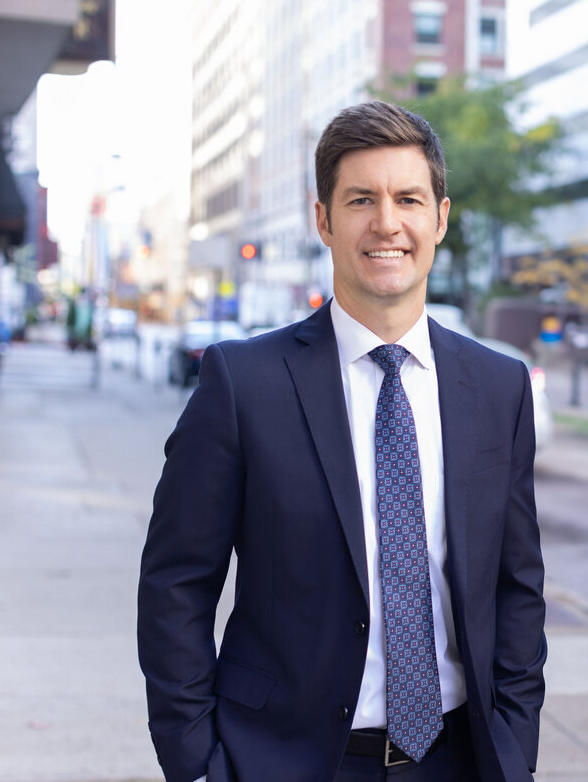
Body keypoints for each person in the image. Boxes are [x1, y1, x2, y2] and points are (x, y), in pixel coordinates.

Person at [138, 100, 546, 782]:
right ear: (323, 219)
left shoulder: (498, 387)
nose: (387, 223)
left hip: (459, 760)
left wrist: (514, 744)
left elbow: (517, 585)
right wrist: (198, 764)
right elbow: (176, 585)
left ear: (439, 218)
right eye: (361, 200)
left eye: (408, 199)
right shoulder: (243, 384)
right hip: (282, 759)